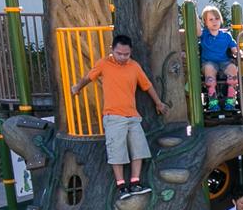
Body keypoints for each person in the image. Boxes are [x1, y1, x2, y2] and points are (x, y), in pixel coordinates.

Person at [69, 33, 169, 198]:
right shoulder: (103, 63)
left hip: (132, 116)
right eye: (119, 54)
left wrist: (158, 102)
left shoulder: (134, 66)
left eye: (126, 54)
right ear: (112, 50)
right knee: (117, 151)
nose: (123, 57)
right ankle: (121, 186)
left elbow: (147, 85)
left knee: (139, 148)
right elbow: (89, 77)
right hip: (113, 116)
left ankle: (135, 182)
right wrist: (77, 87)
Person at [198, 6, 241, 114]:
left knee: (232, 68)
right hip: (209, 62)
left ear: (220, 20)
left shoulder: (226, 35)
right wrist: (193, 12)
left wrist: (237, 52)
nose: (214, 22)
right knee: (208, 70)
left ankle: (230, 99)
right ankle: (213, 101)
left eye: (217, 19)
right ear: (205, 22)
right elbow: (197, 30)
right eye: (211, 19)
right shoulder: (204, 34)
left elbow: (234, 48)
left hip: (224, 62)